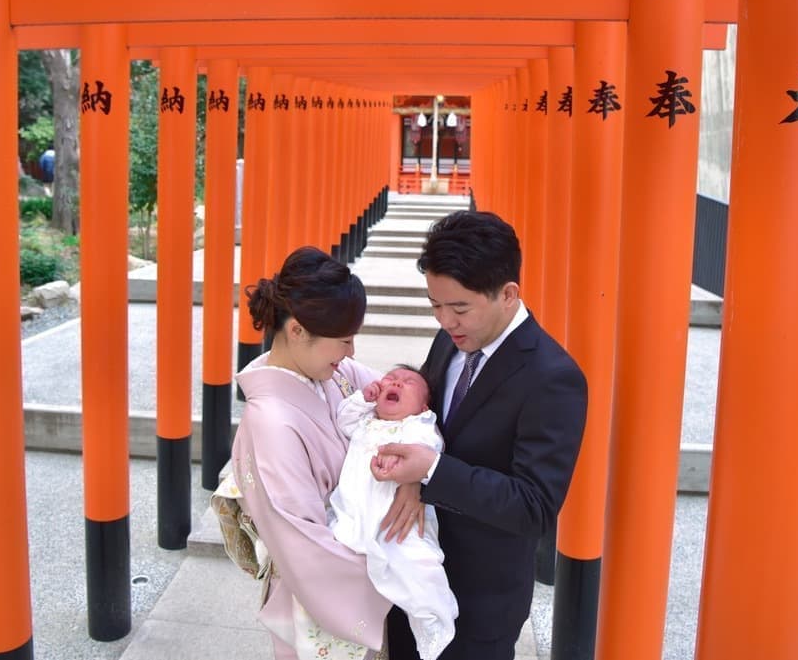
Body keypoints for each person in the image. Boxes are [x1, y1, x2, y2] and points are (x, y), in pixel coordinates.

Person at [371, 210, 588, 660]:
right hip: (410, 581)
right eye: (435, 305)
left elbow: (534, 507)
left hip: (480, 603)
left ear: (508, 294)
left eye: (459, 307)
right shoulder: (450, 340)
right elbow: (428, 425)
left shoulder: (553, 377)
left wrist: (431, 470)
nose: (446, 320)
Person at [229, 246, 420, 660]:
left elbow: (408, 407)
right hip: (319, 597)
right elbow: (305, 547)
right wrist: (398, 572)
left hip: (363, 559)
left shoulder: (337, 375)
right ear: (297, 330)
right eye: (344, 340)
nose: (351, 353)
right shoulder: (271, 426)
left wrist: (413, 478)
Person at [329, 366, 458, 660]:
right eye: (390, 378)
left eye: (409, 382)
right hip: (356, 507)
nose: (397, 381)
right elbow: (343, 420)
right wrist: (363, 399)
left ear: (423, 406)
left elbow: (431, 446)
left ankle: (433, 621)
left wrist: (404, 465)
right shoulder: (365, 421)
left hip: (397, 514)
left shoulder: (419, 424)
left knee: (418, 562)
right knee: (343, 544)